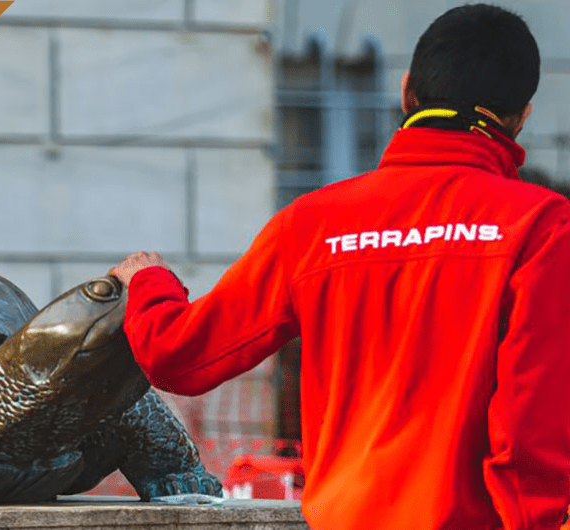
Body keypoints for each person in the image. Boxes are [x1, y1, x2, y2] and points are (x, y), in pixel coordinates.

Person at [109, 4, 570, 530]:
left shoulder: (312, 224)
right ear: (521, 117)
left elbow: (179, 356)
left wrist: (148, 282)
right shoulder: (541, 226)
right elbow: (530, 431)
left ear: (407, 93)